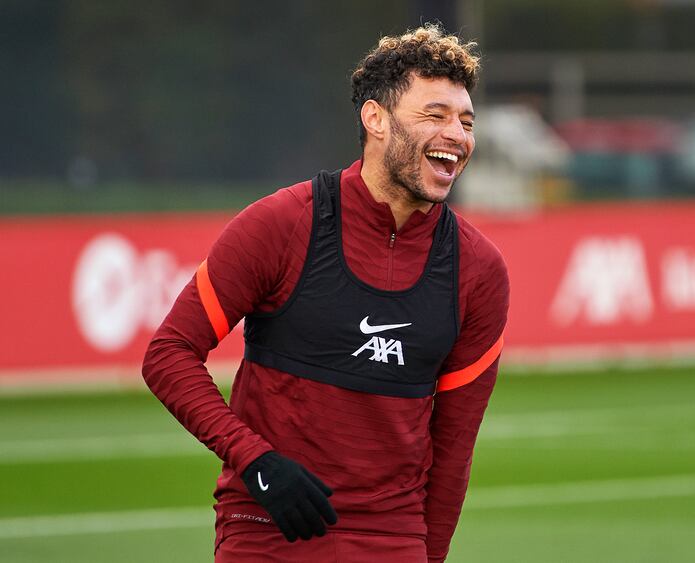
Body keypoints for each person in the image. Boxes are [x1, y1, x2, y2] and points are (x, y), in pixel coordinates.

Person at [142, 23, 509, 562]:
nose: (457, 134)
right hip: (265, 530)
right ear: (375, 119)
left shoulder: (479, 271)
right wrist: (256, 462)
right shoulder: (281, 224)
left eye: (466, 121)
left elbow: (453, 450)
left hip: (394, 540)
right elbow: (168, 354)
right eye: (436, 115)